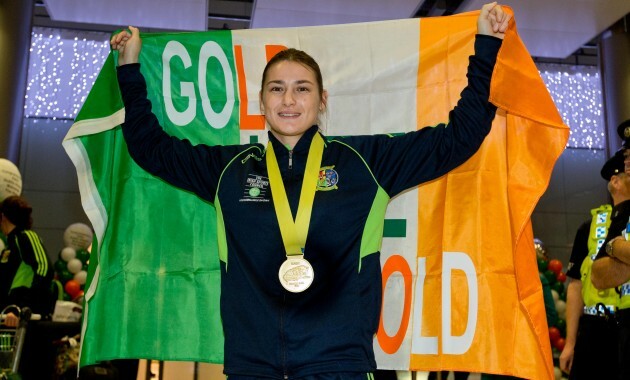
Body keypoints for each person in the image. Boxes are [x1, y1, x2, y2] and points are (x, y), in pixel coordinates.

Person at [110, 3, 510, 378]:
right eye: (276, 88)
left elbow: (458, 138)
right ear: (261, 103)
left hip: (339, 364)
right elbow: (151, 149)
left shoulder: (365, 163)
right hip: (253, 366)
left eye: (302, 89)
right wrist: (129, 68)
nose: (288, 100)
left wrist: (487, 46)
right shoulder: (229, 171)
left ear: (322, 100)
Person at [558, 150, 627, 379]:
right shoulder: (589, 227)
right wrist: (570, 343)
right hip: (594, 329)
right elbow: (576, 285)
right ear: (615, 182)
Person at [591, 121, 630, 380]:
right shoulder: (624, 211)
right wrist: (618, 247)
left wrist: (617, 249)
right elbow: (599, 275)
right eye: (627, 155)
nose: (626, 162)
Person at [0, 195, 53, 327]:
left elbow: (45, 269)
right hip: (7, 318)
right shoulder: (7, 249)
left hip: (25, 319)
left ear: (3, 216)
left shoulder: (26, 236)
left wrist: (22, 308)